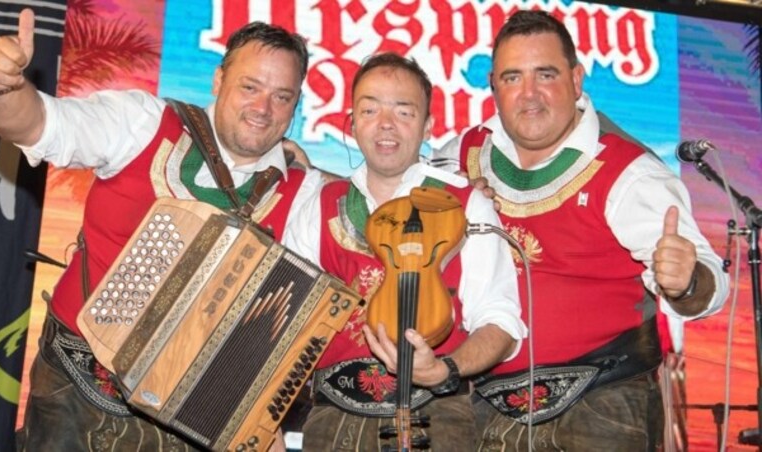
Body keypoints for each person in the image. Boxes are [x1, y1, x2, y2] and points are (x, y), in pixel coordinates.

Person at [0, 8, 324, 450]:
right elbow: (35, 122)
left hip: (190, 419)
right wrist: (1, 86)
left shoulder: (304, 193)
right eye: (250, 87)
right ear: (218, 81)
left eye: (282, 96)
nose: (262, 108)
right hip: (77, 393)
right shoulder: (141, 120)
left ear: (296, 105)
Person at [432, 10, 729, 451]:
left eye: (545, 74)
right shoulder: (460, 156)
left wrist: (687, 281)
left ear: (576, 79)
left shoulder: (630, 171)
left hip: (602, 406)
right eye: (513, 78)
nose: (529, 95)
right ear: (493, 86)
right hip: (490, 407)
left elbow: (711, 281)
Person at [283, 52, 527, 451]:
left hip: (438, 417)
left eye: (404, 111)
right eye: (370, 109)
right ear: (352, 121)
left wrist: (445, 369)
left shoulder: (463, 202)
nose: (385, 125)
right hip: (330, 422)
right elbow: (287, 326)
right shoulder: (319, 204)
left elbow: (501, 321)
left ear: (428, 124)